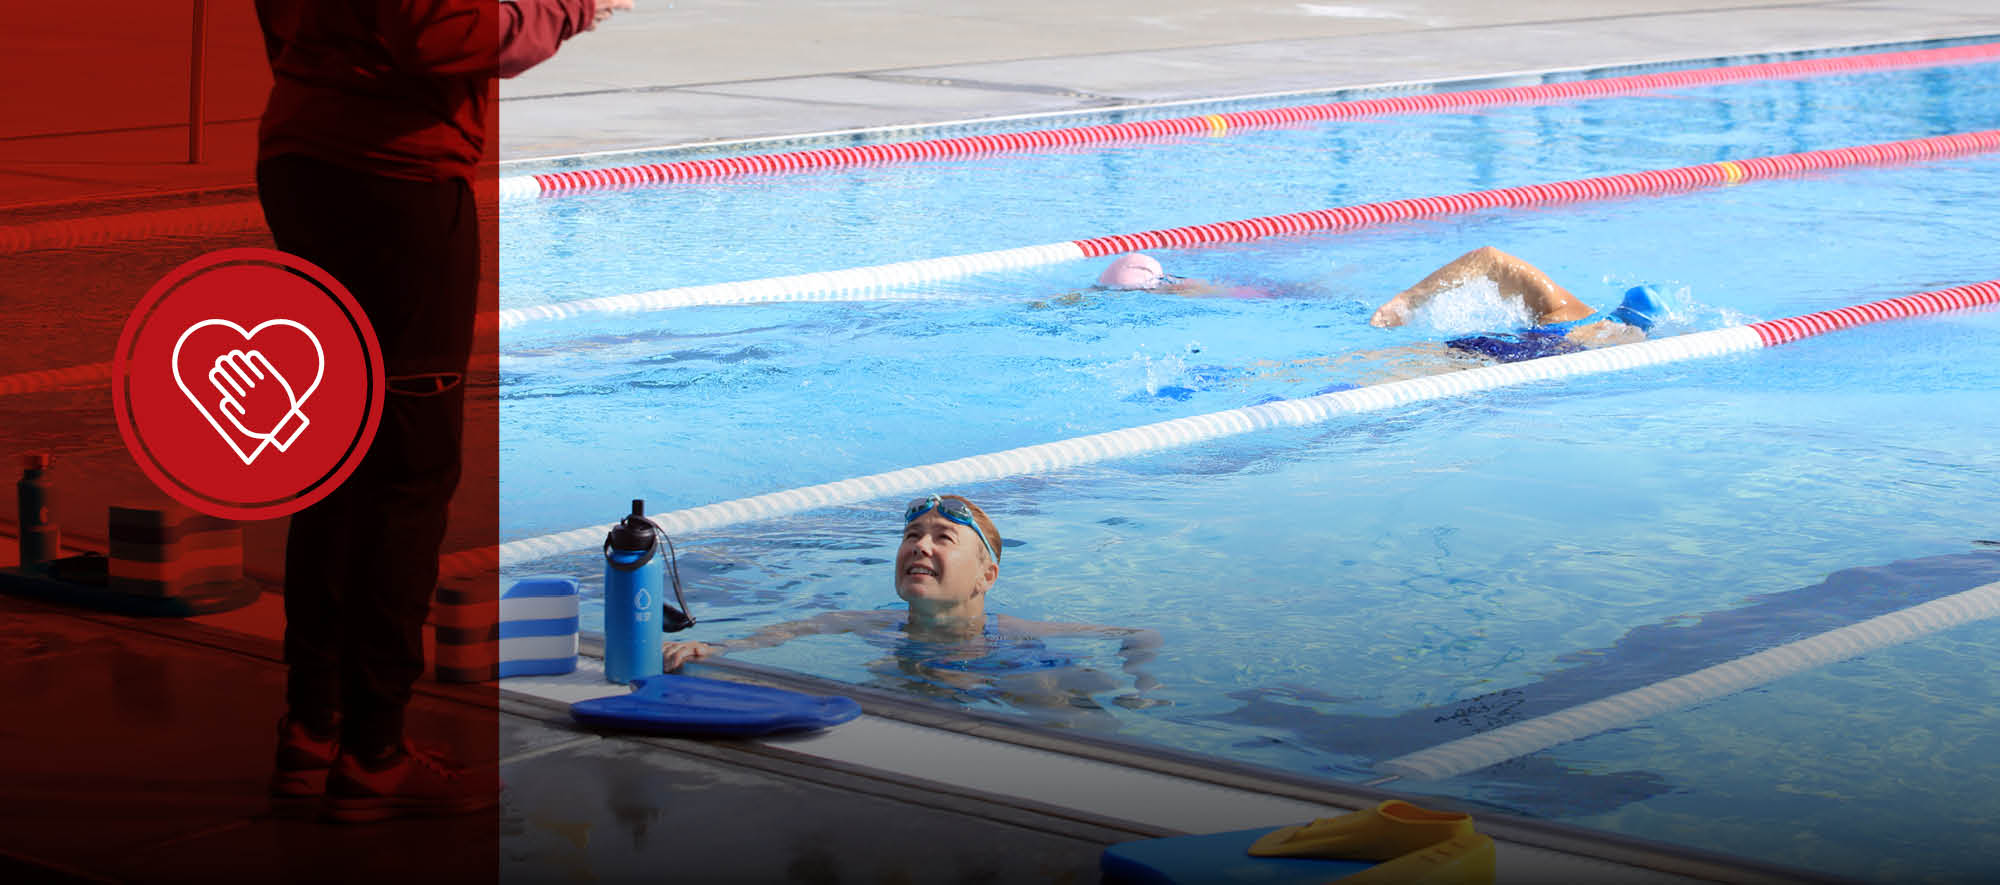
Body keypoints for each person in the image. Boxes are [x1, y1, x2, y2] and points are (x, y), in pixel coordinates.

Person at [257, 0, 629, 823]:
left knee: (331, 456)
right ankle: (374, 753)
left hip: (302, 157)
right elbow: (441, 30)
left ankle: (311, 727)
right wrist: (565, 10)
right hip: (395, 181)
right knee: (407, 476)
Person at [661, 495, 1162, 700]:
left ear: (986, 576)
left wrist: (1143, 685)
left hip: (1009, 670)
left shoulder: (1021, 638)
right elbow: (789, 632)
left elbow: (1142, 633)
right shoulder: (860, 623)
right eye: (912, 535)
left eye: (943, 538)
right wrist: (717, 650)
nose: (920, 544)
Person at [1369, 246, 1665, 362]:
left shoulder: (1571, 311)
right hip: (1513, 362)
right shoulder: (1633, 345)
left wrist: (1409, 300)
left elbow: (1489, 258)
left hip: (1489, 347)